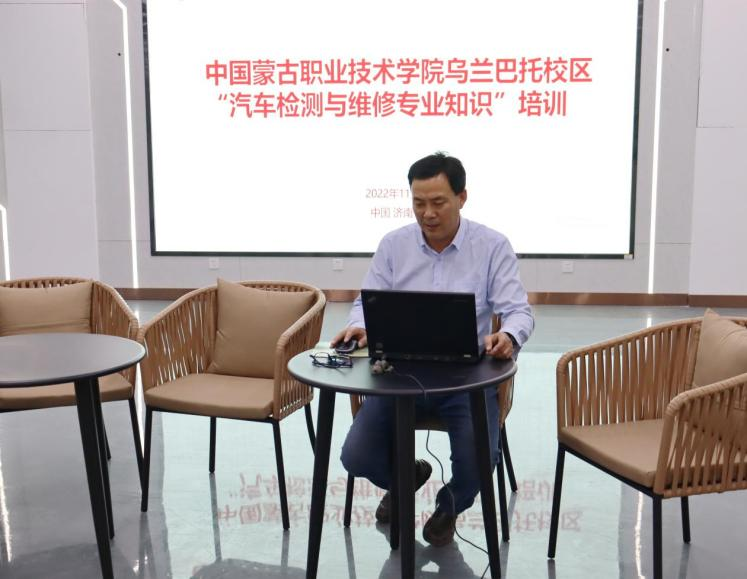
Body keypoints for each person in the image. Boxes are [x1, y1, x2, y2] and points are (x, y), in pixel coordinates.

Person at [332, 152, 534, 547]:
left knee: (477, 463)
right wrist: (359, 325)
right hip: (397, 376)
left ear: (462, 197)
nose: (428, 213)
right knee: (356, 456)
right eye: (419, 203)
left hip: (465, 379)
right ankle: (406, 475)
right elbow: (366, 301)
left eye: (438, 202)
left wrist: (509, 336)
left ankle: (449, 505)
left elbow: (518, 312)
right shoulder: (394, 245)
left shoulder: (492, 246)